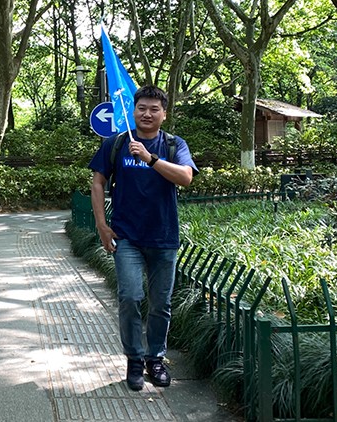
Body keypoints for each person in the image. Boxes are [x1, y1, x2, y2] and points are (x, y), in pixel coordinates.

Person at [88, 86, 198, 391]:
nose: (147, 114)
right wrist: (101, 225)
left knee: (161, 304)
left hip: (163, 237)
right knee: (130, 297)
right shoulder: (116, 144)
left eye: (154, 109)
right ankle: (134, 360)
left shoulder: (174, 145)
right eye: (142, 108)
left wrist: (150, 159)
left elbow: (185, 177)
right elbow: (97, 182)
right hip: (127, 237)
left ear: (164, 114)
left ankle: (156, 359)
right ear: (133, 111)